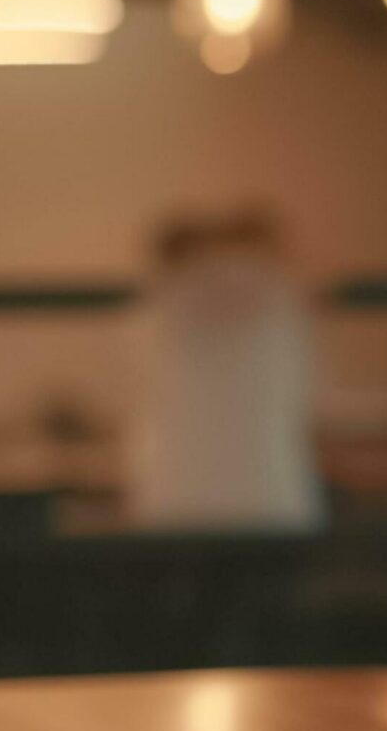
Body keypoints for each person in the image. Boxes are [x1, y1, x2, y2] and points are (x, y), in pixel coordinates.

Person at [124, 204, 324, 532]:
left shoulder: (154, 309)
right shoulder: (281, 305)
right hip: (272, 501)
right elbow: (309, 398)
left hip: (172, 501)